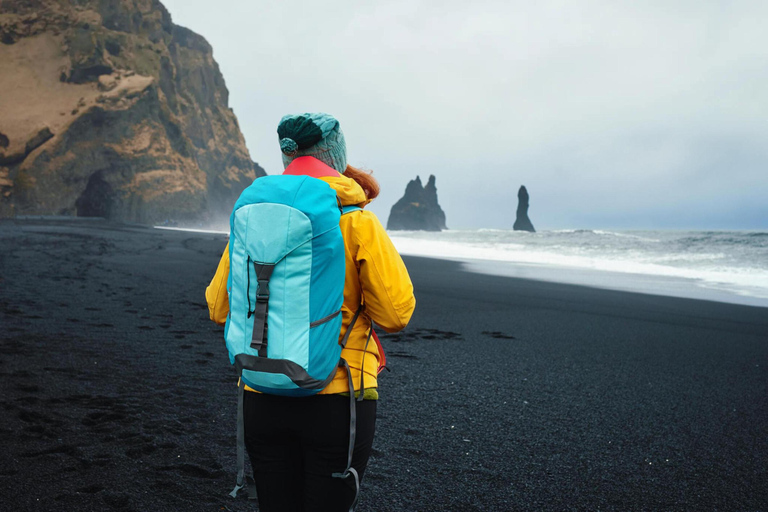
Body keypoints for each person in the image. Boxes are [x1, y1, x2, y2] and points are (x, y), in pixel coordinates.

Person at [205, 112, 416, 512]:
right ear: (335, 156)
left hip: (260, 389)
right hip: (338, 394)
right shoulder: (355, 221)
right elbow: (395, 314)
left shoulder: (254, 224)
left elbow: (218, 307)